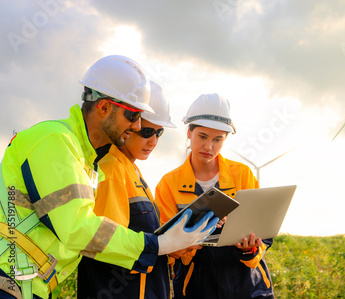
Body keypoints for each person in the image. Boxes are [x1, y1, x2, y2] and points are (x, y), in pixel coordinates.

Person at [0, 55, 217, 299]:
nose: (136, 127)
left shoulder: (87, 160)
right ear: (104, 108)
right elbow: (77, 229)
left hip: (26, 286)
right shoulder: (55, 140)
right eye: (134, 117)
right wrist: (159, 245)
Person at [155, 93, 275, 299]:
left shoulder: (243, 175)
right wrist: (192, 240)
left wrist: (249, 249)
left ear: (225, 139)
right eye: (202, 136)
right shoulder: (168, 184)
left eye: (218, 139)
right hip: (197, 290)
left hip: (250, 289)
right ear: (189, 132)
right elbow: (166, 249)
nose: (209, 147)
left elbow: (263, 236)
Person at [77, 81, 186, 299]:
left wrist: (174, 246)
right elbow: (110, 250)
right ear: (130, 125)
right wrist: (162, 246)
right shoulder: (112, 169)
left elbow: (141, 239)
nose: (153, 141)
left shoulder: (131, 169)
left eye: (159, 133)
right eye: (146, 131)